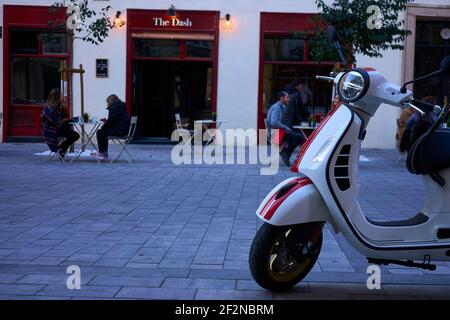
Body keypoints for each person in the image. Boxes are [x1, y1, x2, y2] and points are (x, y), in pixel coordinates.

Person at [266, 91, 304, 167]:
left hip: (277, 132)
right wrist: (285, 127)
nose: (288, 99)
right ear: (281, 98)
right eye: (287, 98)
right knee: (299, 137)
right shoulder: (277, 108)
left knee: (295, 135)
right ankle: (286, 153)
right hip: (275, 134)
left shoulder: (279, 106)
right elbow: (273, 122)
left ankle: (286, 153)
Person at [41, 88, 80, 159]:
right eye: (61, 95)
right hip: (51, 131)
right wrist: (66, 120)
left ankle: (62, 149)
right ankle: (61, 149)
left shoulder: (58, 106)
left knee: (75, 135)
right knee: (74, 135)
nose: (63, 96)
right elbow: (57, 122)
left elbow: (64, 118)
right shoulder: (50, 109)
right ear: (57, 97)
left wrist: (64, 108)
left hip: (58, 128)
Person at [92, 94, 130, 161]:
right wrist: (107, 122)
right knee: (103, 132)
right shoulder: (121, 106)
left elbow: (111, 122)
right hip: (125, 129)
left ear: (110, 101)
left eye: (107, 102)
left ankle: (102, 153)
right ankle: (104, 153)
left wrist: (103, 127)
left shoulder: (114, 108)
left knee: (100, 132)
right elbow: (115, 120)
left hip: (120, 131)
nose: (107, 103)